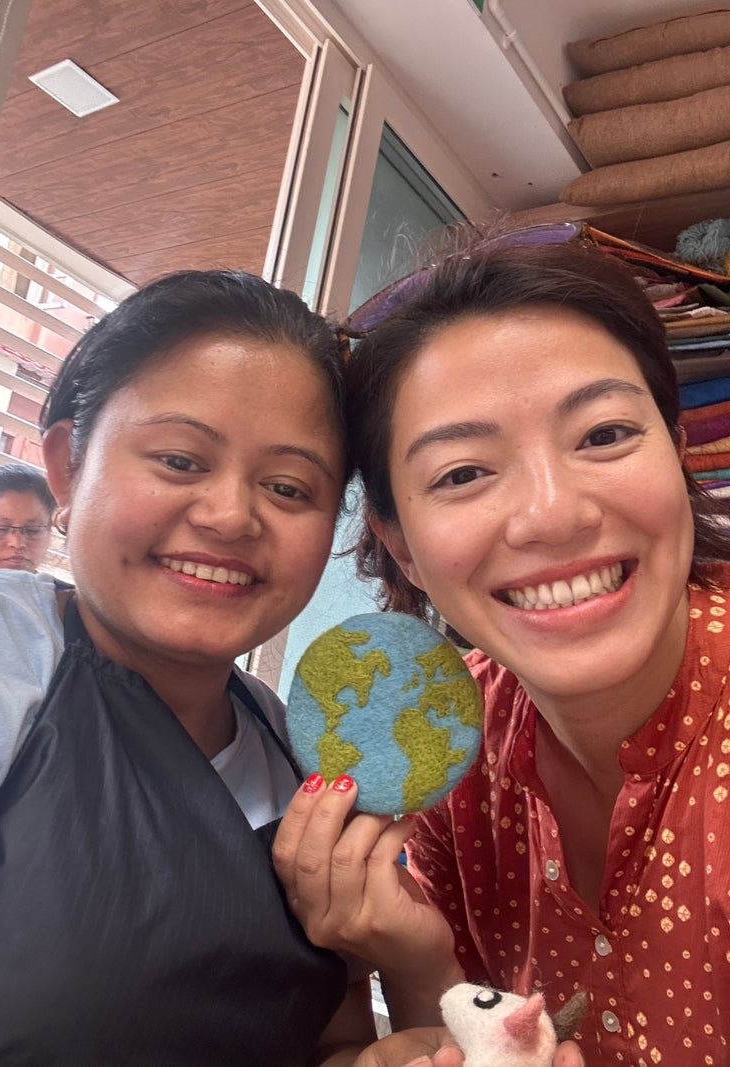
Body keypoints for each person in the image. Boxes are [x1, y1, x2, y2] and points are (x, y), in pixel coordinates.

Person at [0, 268, 472, 1067]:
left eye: (288, 486)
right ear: (66, 463)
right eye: (181, 460)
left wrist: (400, 995)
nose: (228, 515)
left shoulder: (295, 752)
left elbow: (331, 1036)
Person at [273, 236, 730, 1066]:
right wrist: (419, 961)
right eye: (462, 473)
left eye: (603, 434)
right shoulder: (449, 754)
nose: (551, 516)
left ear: (677, 448)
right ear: (400, 544)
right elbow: (473, 1031)